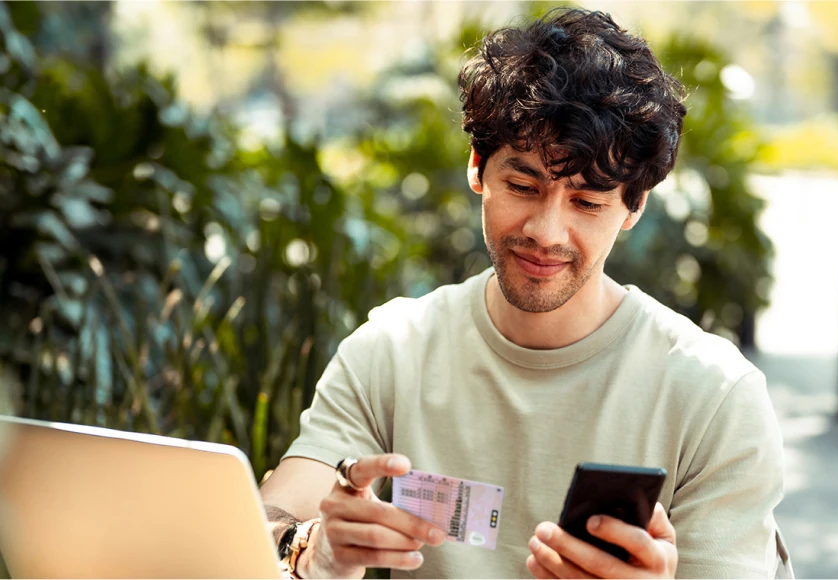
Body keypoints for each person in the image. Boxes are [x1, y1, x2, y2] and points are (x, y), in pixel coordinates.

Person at [260, 7, 791, 579]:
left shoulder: (713, 395)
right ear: (477, 169)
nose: (546, 231)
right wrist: (308, 546)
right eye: (522, 185)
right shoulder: (391, 352)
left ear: (633, 207)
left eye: (587, 202)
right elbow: (265, 523)